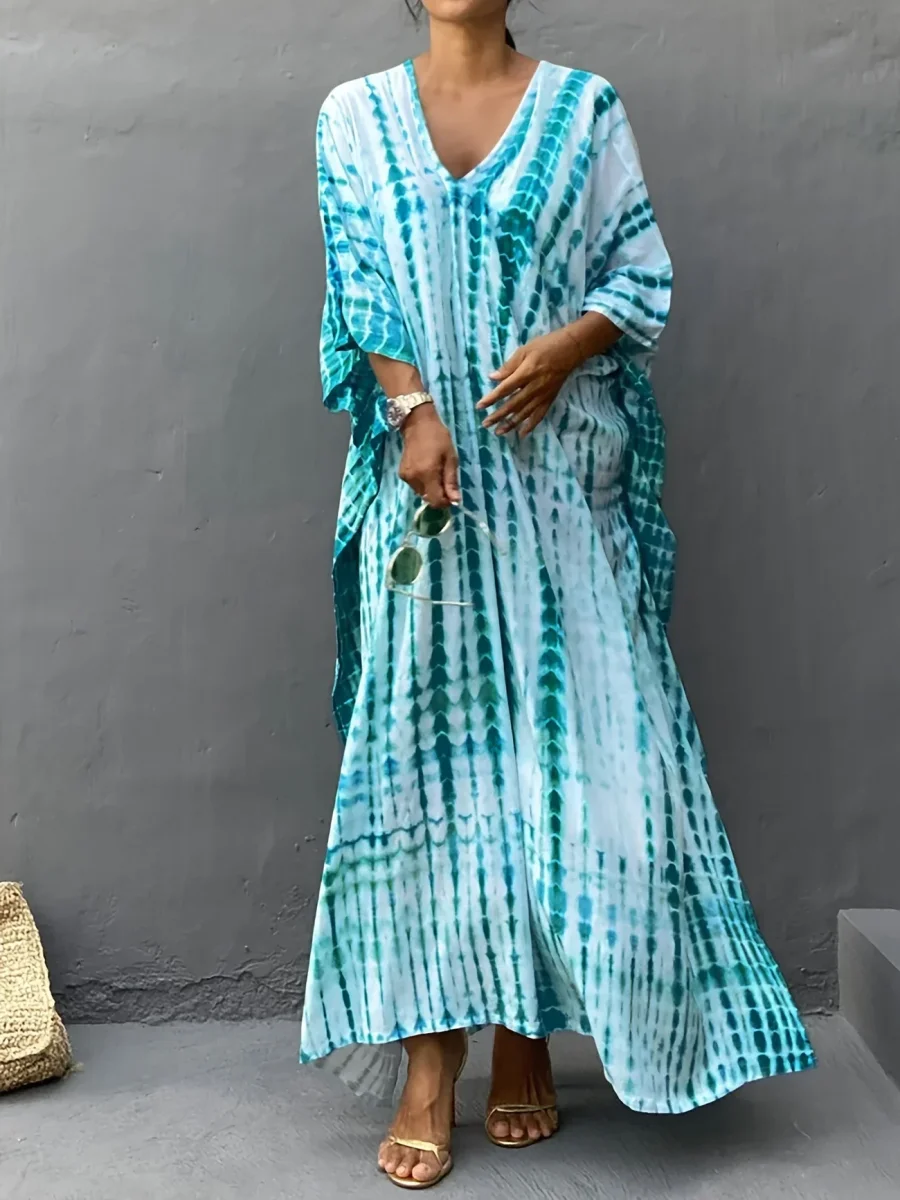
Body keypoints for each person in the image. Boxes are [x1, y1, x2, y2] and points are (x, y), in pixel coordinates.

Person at [300, 0, 815, 1188]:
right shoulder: (353, 119)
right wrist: (411, 412)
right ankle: (433, 1062)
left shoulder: (584, 111)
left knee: (572, 774)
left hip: (558, 492)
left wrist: (564, 348)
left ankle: (526, 1029)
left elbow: (638, 275)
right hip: (428, 495)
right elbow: (359, 283)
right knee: (428, 770)